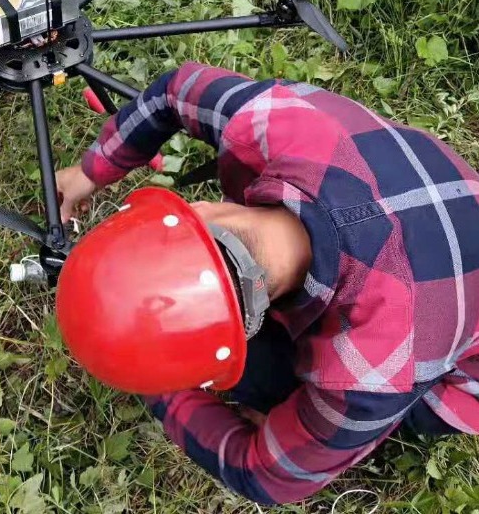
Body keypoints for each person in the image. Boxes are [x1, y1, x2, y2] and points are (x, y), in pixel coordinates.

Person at [53, 61, 479, 506]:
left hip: (457, 378)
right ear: (198, 208)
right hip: (447, 200)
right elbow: (176, 90)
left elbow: (265, 477)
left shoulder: (374, 365)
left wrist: (155, 382)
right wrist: (89, 173)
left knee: (272, 392)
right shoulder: (274, 120)